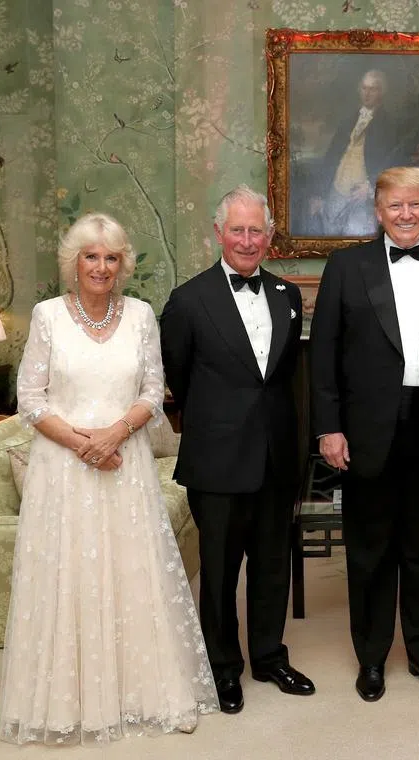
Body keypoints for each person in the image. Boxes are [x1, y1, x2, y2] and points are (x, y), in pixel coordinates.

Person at [0, 213, 217, 745]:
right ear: (74, 262)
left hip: (126, 466)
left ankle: (152, 695)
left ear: (123, 265)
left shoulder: (141, 315)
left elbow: (153, 390)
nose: (101, 266)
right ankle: (68, 704)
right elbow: (30, 400)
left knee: (133, 574)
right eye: (91, 256)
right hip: (63, 469)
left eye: (111, 257)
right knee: (69, 577)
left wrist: (114, 435)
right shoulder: (48, 316)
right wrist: (84, 444)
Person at [310, 166, 419, 702]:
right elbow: (324, 356)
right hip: (365, 430)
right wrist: (329, 428)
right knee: (368, 549)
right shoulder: (345, 267)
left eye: (414, 205)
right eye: (394, 206)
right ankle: (370, 659)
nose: (405, 215)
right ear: (378, 210)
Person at [160, 185, 312, 715]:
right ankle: (223, 668)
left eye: (257, 230)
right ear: (218, 232)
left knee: (272, 566)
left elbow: (287, 377)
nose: (248, 240)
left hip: (275, 455)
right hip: (218, 458)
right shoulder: (188, 300)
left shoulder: (287, 297)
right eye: (238, 229)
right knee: (220, 573)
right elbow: (178, 375)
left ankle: (269, 656)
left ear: (269, 237)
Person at [307, 70, 410, 237]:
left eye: (373, 89)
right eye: (364, 88)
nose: (367, 93)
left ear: (381, 92)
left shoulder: (390, 125)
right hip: (336, 191)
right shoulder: (347, 121)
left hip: (363, 197)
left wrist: (371, 186)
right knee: (329, 236)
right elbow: (330, 158)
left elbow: (393, 163)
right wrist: (318, 194)